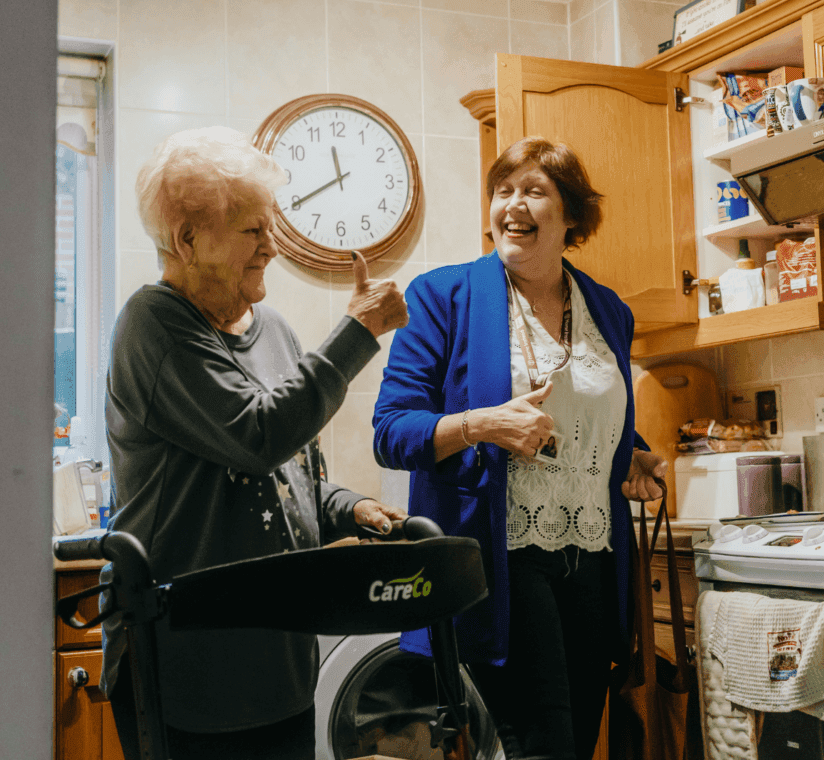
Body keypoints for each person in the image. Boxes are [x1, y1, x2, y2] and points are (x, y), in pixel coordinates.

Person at [100, 126, 409, 760]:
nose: (272, 246)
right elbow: (257, 435)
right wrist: (358, 331)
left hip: (277, 658)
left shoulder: (274, 330)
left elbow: (289, 476)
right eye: (253, 230)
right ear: (187, 239)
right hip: (186, 659)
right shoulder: (153, 324)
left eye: (271, 227)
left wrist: (347, 506)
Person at [372, 136, 667, 760]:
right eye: (502, 191)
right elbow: (392, 430)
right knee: (542, 745)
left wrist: (628, 453)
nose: (513, 205)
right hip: (502, 555)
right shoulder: (442, 295)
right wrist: (481, 425)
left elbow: (586, 409)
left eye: (534, 191)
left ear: (572, 216)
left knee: (578, 740)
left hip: (594, 556)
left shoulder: (608, 309)